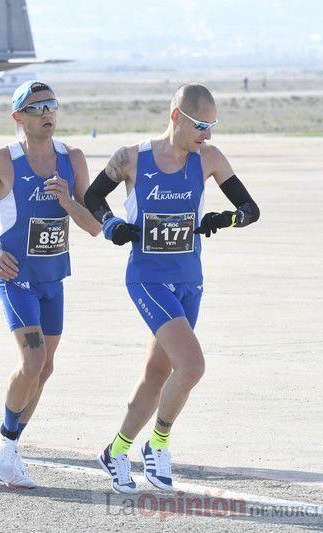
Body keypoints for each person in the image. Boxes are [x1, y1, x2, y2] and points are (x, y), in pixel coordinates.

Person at [84, 83, 260, 493]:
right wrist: (111, 226)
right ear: (176, 115)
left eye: (213, 126)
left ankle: (115, 451)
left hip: (189, 278)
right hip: (147, 277)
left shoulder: (209, 159)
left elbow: (250, 210)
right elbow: (92, 196)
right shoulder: (131, 158)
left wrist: (223, 220)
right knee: (192, 366)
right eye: (201, 125)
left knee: (157, 372)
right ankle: (158, 443)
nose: (208, 135)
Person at [0, 81, 101, 488]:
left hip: (54, 277)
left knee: (46, 367)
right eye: (37, 108)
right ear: (18, 117)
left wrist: (69, 202)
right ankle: (4, 446)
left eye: (52, 105)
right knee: (31, 361)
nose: (47, 113)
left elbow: (94, 226)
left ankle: (9, 446)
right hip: (16, 277)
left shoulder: (73, 157)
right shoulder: (3, 159)